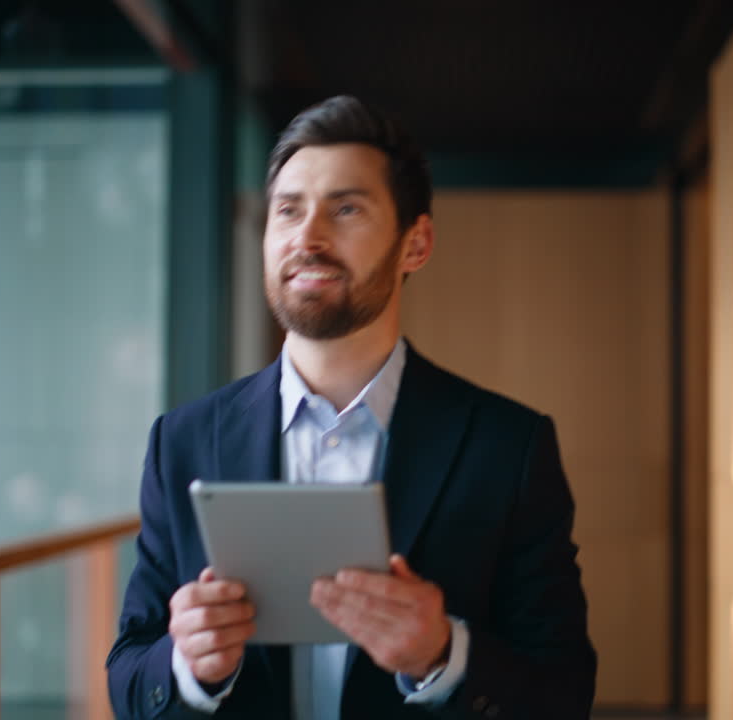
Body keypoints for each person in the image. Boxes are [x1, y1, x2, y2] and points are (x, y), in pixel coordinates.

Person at [106, 95, 596, 720]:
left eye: (346, 209)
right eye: (288, 211)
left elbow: (564, 692)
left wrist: (444, 655)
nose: (307, 237)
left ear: (415, 244)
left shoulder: (510, 447)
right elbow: (128, 675)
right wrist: (189, 666)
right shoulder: (182, 440)